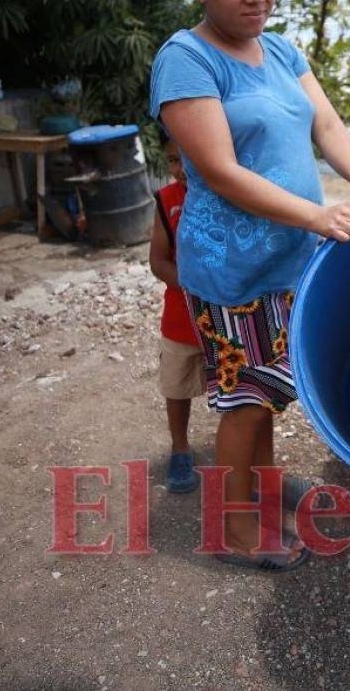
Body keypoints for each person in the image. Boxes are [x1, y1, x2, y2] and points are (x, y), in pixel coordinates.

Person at [149, 0, 350, 571]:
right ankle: (233, 532)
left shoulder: (282, 49)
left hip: (290, 259)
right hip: (233, 268)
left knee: (268, 395)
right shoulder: (186, 59)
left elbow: (325, 125)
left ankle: (260, 499)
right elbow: (220, 170)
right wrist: (319, 215)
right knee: (244, 404)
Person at [147, 127, 205, 494]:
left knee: (234, 388)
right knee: (177, 385)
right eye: (172, 159)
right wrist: (193, 284)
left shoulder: (228, 195)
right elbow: (157, 262)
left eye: (188, 157)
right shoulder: (167, 201)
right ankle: (180, 447)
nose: (180, 168)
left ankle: (241, 453)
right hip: (182, 318)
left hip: (227, 316)